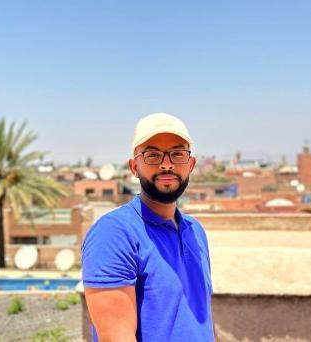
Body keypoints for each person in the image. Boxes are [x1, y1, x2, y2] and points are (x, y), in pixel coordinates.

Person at [82, 113, 215, 341]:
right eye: (152, 155)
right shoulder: (114, 234)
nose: (166, 164)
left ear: (190, 164)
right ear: (134, 167)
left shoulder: (195, 231)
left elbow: (201, 321)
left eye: (177, 154)